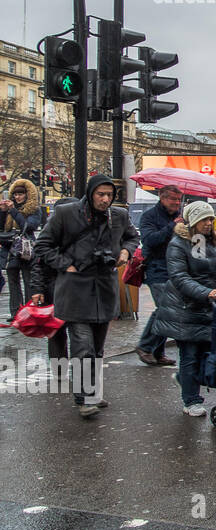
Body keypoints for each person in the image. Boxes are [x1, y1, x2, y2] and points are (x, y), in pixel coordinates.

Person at [31, 175, 141, 418]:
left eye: (109, 195)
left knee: (98, 348)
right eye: (100, 194)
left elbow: (133, 237)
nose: (105, 199)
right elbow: (43, 246)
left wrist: (125, 250)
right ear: (90, 193)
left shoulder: (119, 216)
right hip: (75, 290)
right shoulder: (66, 214)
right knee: (83, 346)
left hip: (104, 288)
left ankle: (92, 392)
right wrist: (65, 264)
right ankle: (84, 398)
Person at [153, 202, 216, 416]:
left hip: (209, 307)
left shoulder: (214, 243)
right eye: (205, 220)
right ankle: (191, 401)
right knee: (190, 354)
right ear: (193, 222)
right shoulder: (179, 244)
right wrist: (204, 292)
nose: (209, 223)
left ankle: (185, 380)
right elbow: (180, 277)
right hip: (185, 307)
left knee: (208, 352)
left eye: (210, 219)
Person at [132, 185, 183, 366]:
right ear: (162, 198)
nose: (177, 203)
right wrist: (172, 226)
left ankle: (157, 351)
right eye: (173, 199)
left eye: (179, 200)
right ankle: (145, 346)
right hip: (157, 268)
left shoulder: (180, 217)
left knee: (171, 310)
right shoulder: (149, 217)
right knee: (165, 309)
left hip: (176, 269)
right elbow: (149, 240)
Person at [2, 178, 43, 320]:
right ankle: (15, 313)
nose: (17, 197)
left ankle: (28, 312)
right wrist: (2, 212)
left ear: (27, 194)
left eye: (20, 194)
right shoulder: (10, 209)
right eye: (15, 194)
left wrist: (13, 211)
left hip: (26, 249)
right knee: (12, 280)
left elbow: (27, 226)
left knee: (28, 280)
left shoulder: (34, 210)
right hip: (10, 249)